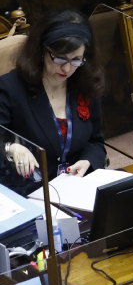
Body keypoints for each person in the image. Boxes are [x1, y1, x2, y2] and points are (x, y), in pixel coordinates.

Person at [0, 11, 106, 195]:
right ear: (42, 50)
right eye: (59, 58)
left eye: (76, 60)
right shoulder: (10, 87)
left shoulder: (85, 84)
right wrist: (11, 148)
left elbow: (96, 140)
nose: (66, 68)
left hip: (76, 186)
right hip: (29, 190)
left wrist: (88, 161)